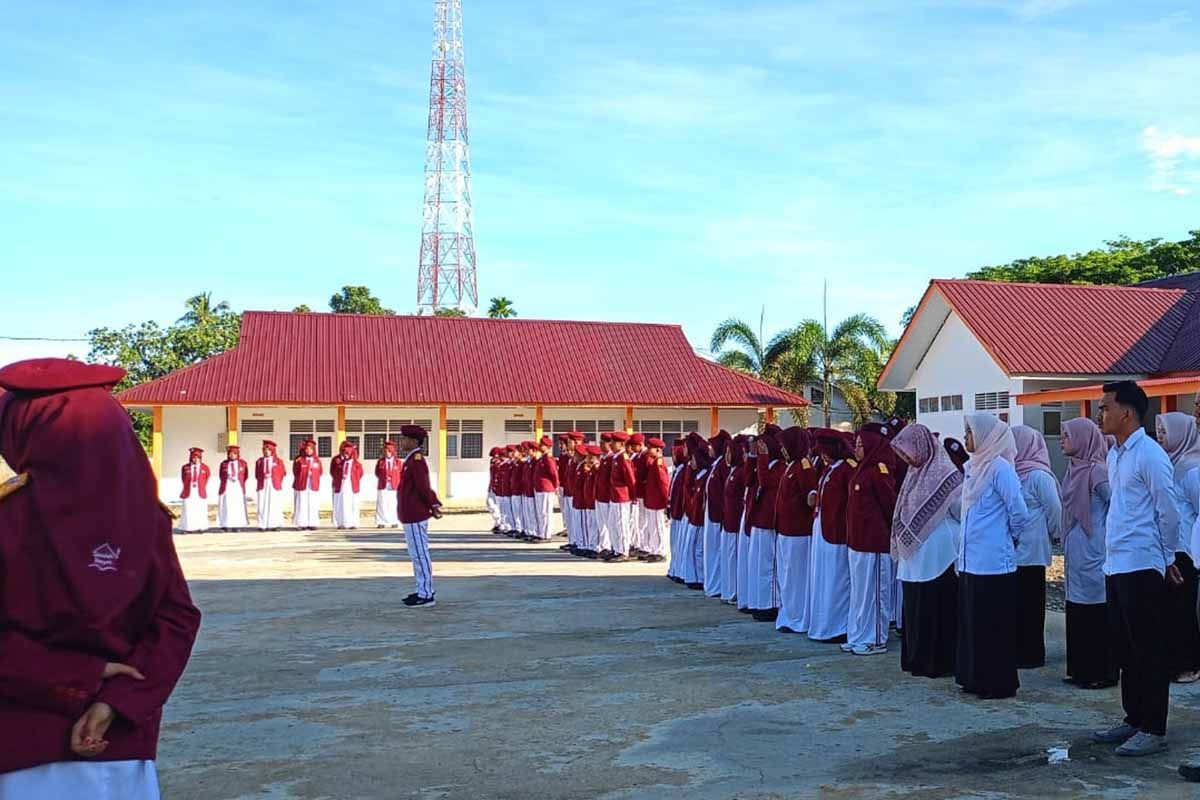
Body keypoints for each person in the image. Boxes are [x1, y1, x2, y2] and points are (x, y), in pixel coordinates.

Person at [0, 358, 201, 798]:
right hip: (119, 744)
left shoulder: (8, 517)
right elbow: (177, 619)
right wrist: (115, 700)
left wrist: (78, 676)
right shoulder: (146, 517)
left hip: (21, 746)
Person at [1092, 381, 1182, 756]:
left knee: (1149, 649)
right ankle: (1134, 718)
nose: (1101, 414)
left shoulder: (1149, 454)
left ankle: (1154, 728)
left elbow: (1169, 510)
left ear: (1126, 412)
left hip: (1143, 564)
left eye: (1105, 407)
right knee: (1125, 649)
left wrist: (1168, 557)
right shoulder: (1115, 456)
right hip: (1117, 564)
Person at [956, 413, 1027, 700]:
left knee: (993, 626)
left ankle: (996, 683)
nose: (965, 439)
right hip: (971, 561)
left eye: (970, 433)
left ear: (985, 436)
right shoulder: (973, 468)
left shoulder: (999, 468)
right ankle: (973, 677)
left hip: (994, 562)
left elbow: (1019, 512)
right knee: (973, 623)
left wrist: (1007, 539)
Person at [891, 423, 962, 678]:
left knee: (935, 606)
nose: (906, 457)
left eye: (908, 451)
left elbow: (959, 511)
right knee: (915, 606)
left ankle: (937, 662)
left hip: (938, 554)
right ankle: (915, 659)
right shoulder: (914, 474)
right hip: (915, 555)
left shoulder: (946, 473)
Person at [1059, 417, 1117, 690]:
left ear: (1083, 439)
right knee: (1077, 608)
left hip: (1094, 547)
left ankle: (1102, 672)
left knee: (1096, 609)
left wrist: (1104, 534)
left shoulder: (1097, 471)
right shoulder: (1073, 470)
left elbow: (1115, 504)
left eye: (1067, 436)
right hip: (1076, 547)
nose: (1062, 441)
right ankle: (1080, 668)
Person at [845, 423, 899, 655]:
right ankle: (858, 635)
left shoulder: (879, 470)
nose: (856, 450)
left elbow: (890, 506)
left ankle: (875, 639)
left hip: (874, 544)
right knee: (860, 594)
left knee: (876, 594)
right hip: (858, 542)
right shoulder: (862, 470)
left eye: (860, 445)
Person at [1012, 426, 1062, 669]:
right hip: (1013, 547)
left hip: (1032, 547)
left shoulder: (1039, 476)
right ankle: (1017, 649)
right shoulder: (1010, 471)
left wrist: (1056, 534)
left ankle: (1031, 653)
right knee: (1017, 603)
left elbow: (1054, 510)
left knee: (1031, 603)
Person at [1155, 411, 1200, 684]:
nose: (1160, 437)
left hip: (1185, 549)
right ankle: (1173, 661)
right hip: (1168, 548)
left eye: (1165, 432)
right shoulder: (1167, 464)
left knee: (1184, 610)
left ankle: (1190, 664)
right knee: (1170, 609)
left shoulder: (1192, 469)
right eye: (1158, 431)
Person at [808, 429, 854, 642]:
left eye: (826, 452)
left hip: (836, 532)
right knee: (824, 578)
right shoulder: (829, 470)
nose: (823, 456)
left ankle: (839, 626)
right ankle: (825, 623)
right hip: (822, 529)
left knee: (837, 579)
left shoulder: (846, 468)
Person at [775, 427, 818, 634]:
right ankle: (788, 615)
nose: (782, 450)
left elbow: (810, 493)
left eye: (785, 445)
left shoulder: (804, 466)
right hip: (786, 530)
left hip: (799, 532)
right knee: (786, 576)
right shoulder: (791, 465)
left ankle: (798, 617)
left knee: (796, 577)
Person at [398, 425, 442, 608]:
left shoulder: (416, 461)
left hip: (415, 514)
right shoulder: (410, 460)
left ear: (414, 442)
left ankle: (426, 594)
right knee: (416, 554)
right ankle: (422, 589)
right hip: (410, 514)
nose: (403, 442)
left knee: (420, 554)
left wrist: (433, 504)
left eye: (405, 439)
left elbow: (423, 486)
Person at [746, 430, 785, 622]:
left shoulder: (779, 465)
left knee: (768, 565)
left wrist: (762, 457)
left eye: (763, 445)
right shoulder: (764, 462)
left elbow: (766, 480)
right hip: (759, 519)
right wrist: (754, 457)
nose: (760, 448)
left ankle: (770, 604)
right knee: (758, 565)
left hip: (769, 520)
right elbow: (749, 479)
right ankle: (758, 602)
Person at [720, 436, 749, 606]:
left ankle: (736, 591)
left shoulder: (741, 472)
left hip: (736, 523)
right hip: (728, 521)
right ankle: (729, 590)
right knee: (728, 558)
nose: (727, 456)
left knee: (735, 558)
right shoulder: (733, 471)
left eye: (730, 453)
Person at [703, 432, 731, 597]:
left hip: (717, 515)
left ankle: (717, 585)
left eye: (711, 446)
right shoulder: (716, 464)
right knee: (711, 551)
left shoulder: (723, 466)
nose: (709, 450)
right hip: (710, 513)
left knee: (716, 551)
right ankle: (712, 584)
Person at [681, 441, 711, 586]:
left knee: (697, 549)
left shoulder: (704, 476)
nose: (691, 462)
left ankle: (699, 577)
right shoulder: (698, 475)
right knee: (691, 548)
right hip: (693, 517)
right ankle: (693, 576)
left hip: (699, 519)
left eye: (693, 459)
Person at [639, 438, 670, 564]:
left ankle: (660, 551)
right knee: (652, 527)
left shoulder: (659, 462)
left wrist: (666, 499)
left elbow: (663, 484)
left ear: (657, 449)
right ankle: (653, 550)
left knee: (658, 526)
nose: (648, 449)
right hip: (652, 500)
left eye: (650, 447)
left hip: (658, 501)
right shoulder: (654, 462)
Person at [607, 432, 636, 562]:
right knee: (614, 523)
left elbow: (630, 478)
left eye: (614, 442)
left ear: (622, 444)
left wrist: (633, 495)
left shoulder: (623, 458)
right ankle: (616, 548)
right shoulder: (616, 457)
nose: (611, 445)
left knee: (621, 524)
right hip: (614, 495)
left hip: (622, 496)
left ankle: (623, 551)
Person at [666, 440, 689, 582]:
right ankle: (674, 568)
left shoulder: (684, 471)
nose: (673, 457)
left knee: (679, 544)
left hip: (680, 513)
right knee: (674, 544)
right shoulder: (678, 470)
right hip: (674, 512)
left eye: (675, 454)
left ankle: (678, 570)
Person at [330, 441, 364, 530]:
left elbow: (360, 474)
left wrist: (353, 481)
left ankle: (353, 523)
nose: (346, 455)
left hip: (352, 487)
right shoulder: (340, 463)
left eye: (347, 453)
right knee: (342, 504)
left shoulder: (357, 464)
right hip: (342, 486)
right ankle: (342, 522)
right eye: (345, 453)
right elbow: (333, 472)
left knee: (353, 504)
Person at [532, 436, 560, 543]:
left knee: (546, 512)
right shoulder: (542, 458)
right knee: (541, 512)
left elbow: (553, 473)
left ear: (547, 446)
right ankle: (541, 533)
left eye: (542, 445)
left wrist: (556, 485)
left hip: (547, 488)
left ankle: (546, 535)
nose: (540, 446)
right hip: (540, 488)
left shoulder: (548, 458)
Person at [574, 445, 600, 559]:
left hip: (592, 501)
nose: (588, 459)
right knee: (588, 524)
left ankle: (592, 546)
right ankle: (587, 545)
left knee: (593, 524)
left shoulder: (594, 468)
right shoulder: (584, 467)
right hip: (584, 499)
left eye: (591, 457)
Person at [255, 440, 287, 531]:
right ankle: (263, 524)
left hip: (274, 485)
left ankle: (274, 524)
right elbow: (257, 474)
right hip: (263, 484)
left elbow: (283, 472)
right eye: (265, 450)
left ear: (272, 451)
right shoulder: (259, 461)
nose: (266, 452)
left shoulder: (278, 461)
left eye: (268, 450)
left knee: (274, 504)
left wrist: (276, 479)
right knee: (262, 504)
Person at [292, 439, 323, 530]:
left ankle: (312, 523)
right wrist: (304, 474)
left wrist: (313, 475)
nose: (308, 451)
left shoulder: (317, 460)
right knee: (302, 503)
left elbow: (320, 472)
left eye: (310, 449)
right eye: (307, 449)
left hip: (313, 485)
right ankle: (302, 524)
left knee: (313, 504)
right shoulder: (299, 460)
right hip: (302, 485)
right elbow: (295, 471)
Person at [217, 444, 249, 531]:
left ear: (237, 454)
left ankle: (237, 525)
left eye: (234, 453)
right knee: (227, 505)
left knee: (237, 506)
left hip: (237, 487)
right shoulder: (224, 464)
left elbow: (245, 476)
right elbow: (221, 475)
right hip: (227, 486)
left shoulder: (243, 463)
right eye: (230, 453)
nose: (232, 455)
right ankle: (227, 525)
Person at [179, 447, 210, 533]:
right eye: (194, 457)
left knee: (199, 509)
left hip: (199, 491)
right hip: (189, 491)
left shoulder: (205, 468)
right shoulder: (185, 467)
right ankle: (188, 528)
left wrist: (201, 485)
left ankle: (200, 527)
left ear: (200, 458)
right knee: (188, 509)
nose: (196, 459)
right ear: (191, 458)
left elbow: (207, 478)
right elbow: (183, 478)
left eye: (198, 458)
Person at [374, 441, 403, 529]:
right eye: (386, 451)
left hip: (394, 486)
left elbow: (401, 473)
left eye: (389, 451)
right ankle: (381, 521)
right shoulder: (381, 462)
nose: (387, 453)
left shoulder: (398, 462)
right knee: (382, 503)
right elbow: (377, 472)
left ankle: (394, 521)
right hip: (383, 485)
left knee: (393, 503)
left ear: (393, 452)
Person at [629, 433, 648, 557]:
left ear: (640, 445)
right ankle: (638, 544)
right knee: (637, 521)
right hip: (638, 493)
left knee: (644, 522)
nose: (631, 448)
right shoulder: (637, 456)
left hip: (644, 493)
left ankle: (645, 546)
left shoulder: (646, 456)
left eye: (633, 446)